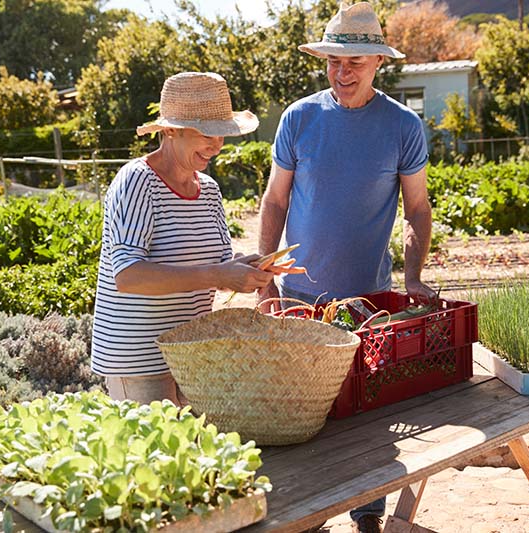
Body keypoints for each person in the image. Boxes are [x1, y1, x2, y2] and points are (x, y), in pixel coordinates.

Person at [256, 3, 435, 532]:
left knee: (367, 418)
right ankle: (309, 518)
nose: (342, 71)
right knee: (298, 415)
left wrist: (414, 276)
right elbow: (274, 202)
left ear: (378, 61)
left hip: (367, 303)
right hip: (299, 302)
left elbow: (418, 208)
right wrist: (265, 278)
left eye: (354, 59)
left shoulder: (402, 126)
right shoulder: (299, 118)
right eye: (334, 60)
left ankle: (368, 516)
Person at [91, 72, 274, 406]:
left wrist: (243, 268)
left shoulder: (209, 191)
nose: (217, 145)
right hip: (140, 358)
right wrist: (219, 275)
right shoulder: (137, 181)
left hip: (193, 356)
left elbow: (216, 266)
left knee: (199, 454)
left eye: (222, 134)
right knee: (154, 456)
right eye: (207, 133)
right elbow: (128, 276)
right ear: (171, 130)